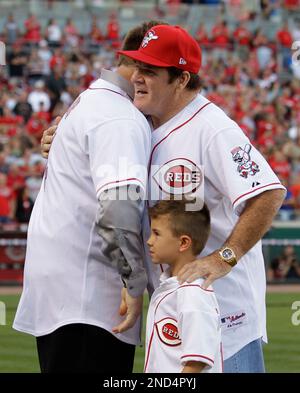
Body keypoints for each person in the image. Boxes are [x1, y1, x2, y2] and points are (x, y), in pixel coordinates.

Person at [41, 24, 286, 373]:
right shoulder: (141, 122)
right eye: (137, 68)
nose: (137, 78)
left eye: (150, 72)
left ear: (181, 80)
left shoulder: (213, 128)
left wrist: (224, 257)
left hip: (223, 316)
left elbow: (269, 193)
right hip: (171, 308)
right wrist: (60, 136)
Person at [13, 21, 164, 374]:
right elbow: (117, 203)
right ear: (145, 70)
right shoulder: (119, 117)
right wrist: (134, 282)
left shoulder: (92, 100)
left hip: (67, 287)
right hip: (91, 292)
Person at [144, 198, 222, 373]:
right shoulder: (173, 286)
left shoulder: (193, 293)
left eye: (157, 233)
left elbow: (196, 363)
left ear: (184, 243)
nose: (149, 241)